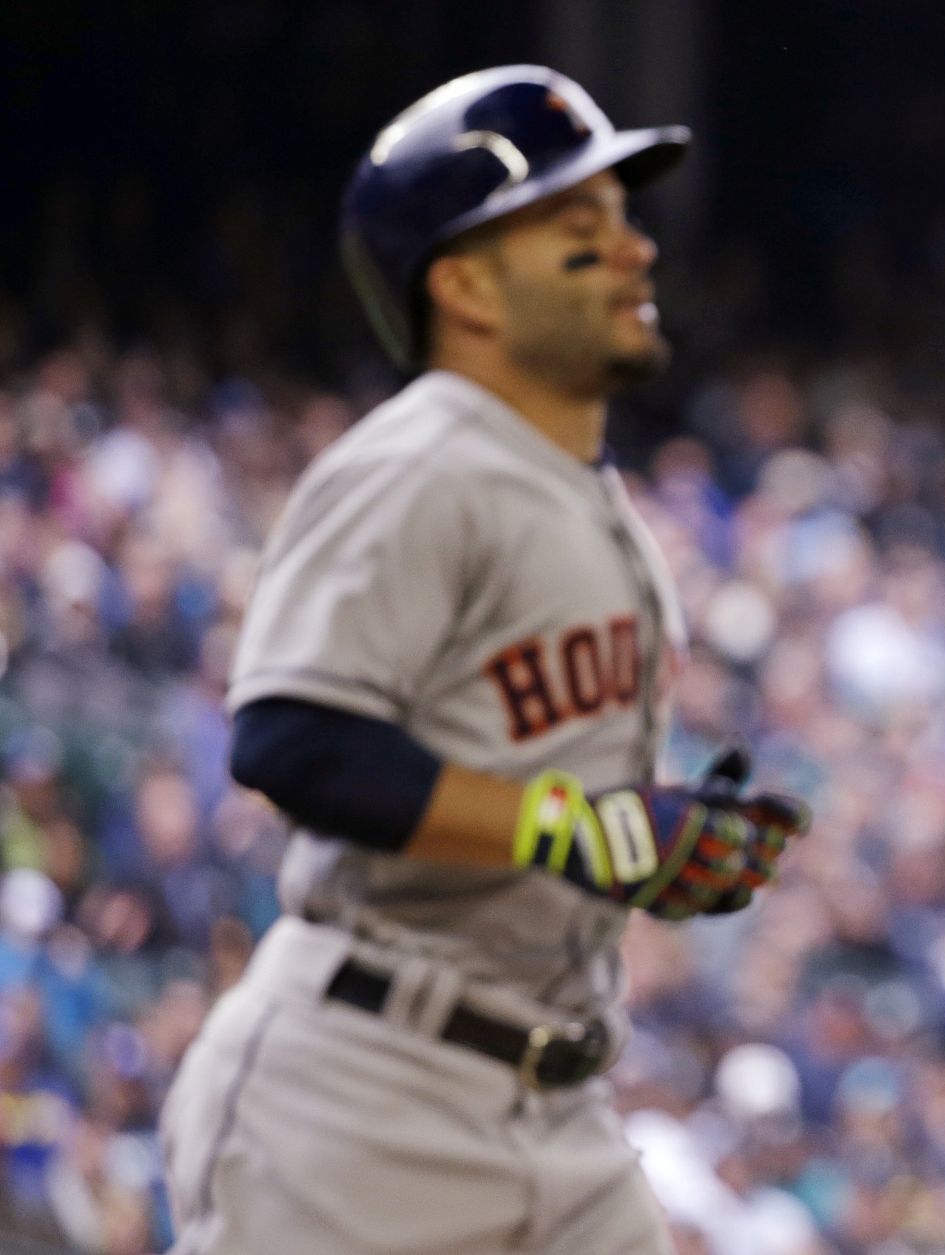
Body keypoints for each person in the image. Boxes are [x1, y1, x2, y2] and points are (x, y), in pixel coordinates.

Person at [159, 66, 808, 1255]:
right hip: (363, 1101)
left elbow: (537, 795)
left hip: (556, 1100)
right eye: (579, 229)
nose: (633, 252)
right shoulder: (418, 462)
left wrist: (649, 846)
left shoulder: (579, 490)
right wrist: (590, 832)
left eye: (622, 219)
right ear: (461, 284)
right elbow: (292, 740)